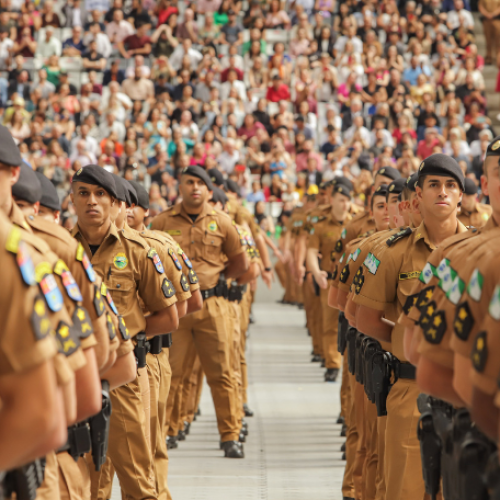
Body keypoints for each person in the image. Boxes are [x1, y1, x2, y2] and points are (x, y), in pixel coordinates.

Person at [352, 154, 466, 500]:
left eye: (450, 186)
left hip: (465, 395)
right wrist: (406, 341)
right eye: (433, 185)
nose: (442, 192)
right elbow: (364, 319)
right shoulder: (394, 252)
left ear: (461, 195)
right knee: (405, 491)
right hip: (410, 388)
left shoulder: (479, 252)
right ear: (417, 195)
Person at [71, 165, 179, 499]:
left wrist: (128, 339)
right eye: (84, 193)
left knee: (136, 475)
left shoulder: (137, 250)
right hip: (72, 373)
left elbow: (169, 317)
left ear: (116, 202)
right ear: (72, 200)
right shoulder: (57, 248)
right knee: (81, 478)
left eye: (101, 194)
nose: (92, 201)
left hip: (123, 375)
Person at [150, 166, 249, 458]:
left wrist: (217, 281)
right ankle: (166, 431)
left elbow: (240, 263)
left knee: (222, 373)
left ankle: (230, 435)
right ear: (179, 187)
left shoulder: (223, 221)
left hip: (213, 305)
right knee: (172, 373)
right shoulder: (162, 221)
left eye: (200, 183)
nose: (195, 188)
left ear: (208, 190)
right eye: (189, 182)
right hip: (176, 308)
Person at [307, 178, 353, 382]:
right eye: (341, 199)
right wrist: (316, 272)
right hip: (331, 279)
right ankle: (332, 363)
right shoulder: (320, 226)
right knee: (330, 323)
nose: (344, 204)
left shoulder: (356, 223)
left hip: (353, 282)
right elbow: (311, 251)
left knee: (354, 324)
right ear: (332, 200)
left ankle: (350, 362)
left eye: (347, 200)